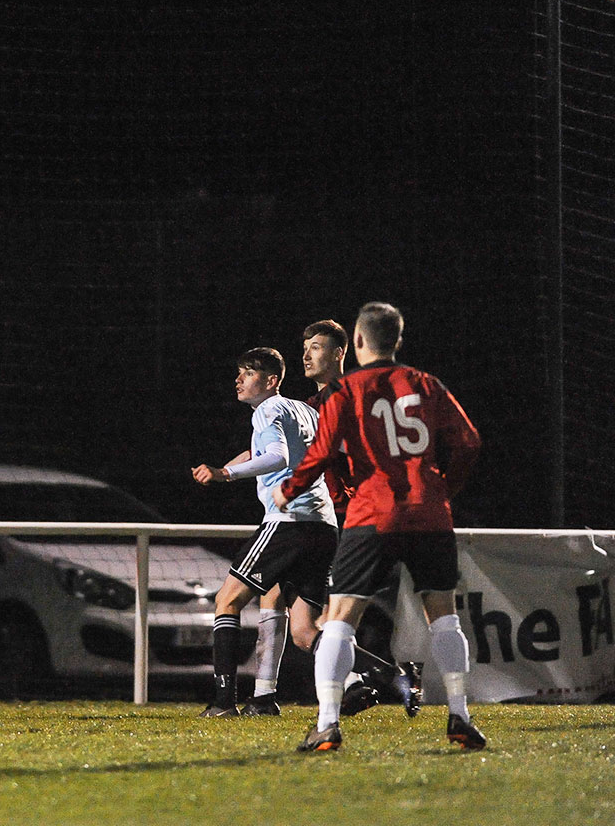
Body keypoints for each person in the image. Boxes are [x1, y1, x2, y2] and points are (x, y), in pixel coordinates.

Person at [277, 302, 484, 752]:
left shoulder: (346, 389)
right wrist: (444, 488)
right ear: (398, 341)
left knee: (339, 621)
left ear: (357, 341)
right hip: (429, 514)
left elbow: (322, 452)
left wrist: (289, 489)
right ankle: (460, 716)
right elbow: (469, 442)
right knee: (444, 618)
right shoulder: (426, 383)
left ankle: (328, 724)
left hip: (372, 512)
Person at [191, 347, 338, 717]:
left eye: (248, 373)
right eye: (239, 372)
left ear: (271, 381)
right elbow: (268, 451)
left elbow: (277, 456)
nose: (238, 380)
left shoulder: (268, 409)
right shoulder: (304, 411)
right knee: (304, 631)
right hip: (323, 526)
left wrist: (225, 474)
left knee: (227, 600)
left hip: (288, 522)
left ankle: (223, 702)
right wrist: (222, 471)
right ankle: (381, 674)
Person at [302, 318, 422, 718]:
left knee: (328, 619)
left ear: (340, 353)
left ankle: (355, 693)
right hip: (317, 519)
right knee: (305, 624)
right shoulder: (310, 406)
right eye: (305, 348)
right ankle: (367, 681)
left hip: (346, 519)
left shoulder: (354, 396)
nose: (306, 355)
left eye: (316, 347)